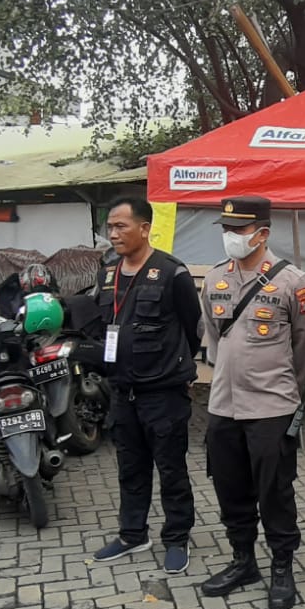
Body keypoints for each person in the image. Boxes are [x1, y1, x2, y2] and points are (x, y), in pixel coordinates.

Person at [199, 195, 305, 609]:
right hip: (224, 405)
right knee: (230, 487)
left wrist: (284, 388)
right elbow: (215, 340)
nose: (230, 236)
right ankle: (243, 560)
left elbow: (304, 346)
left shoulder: (292, 282)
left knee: (275, 492)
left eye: (239, 229)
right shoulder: (215, 279)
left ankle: (281, 566)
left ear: (262, 233)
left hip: (271, 408)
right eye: (226, 229)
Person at [90, 194, 201, 574]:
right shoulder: (107, 274)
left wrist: (176, 365)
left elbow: (193, 328)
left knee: (171, 470)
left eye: (121, 226)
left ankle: (177, 537)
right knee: (130, 468)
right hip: (123, 392)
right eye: (110, 227)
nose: (113, 234)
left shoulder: (172, 272)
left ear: (144, 228)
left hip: (163, 393)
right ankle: (132, 534)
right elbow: (104, 325)